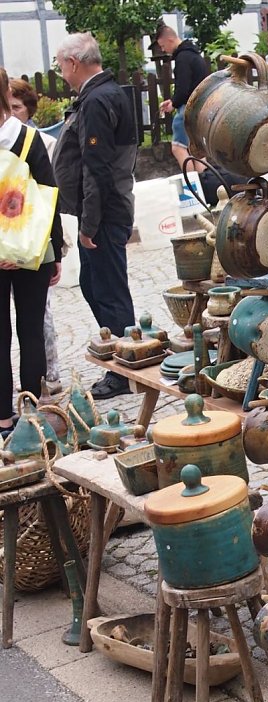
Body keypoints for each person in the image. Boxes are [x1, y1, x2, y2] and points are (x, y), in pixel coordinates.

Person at [52, 32, 137, 400]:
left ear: (73, 62)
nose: (61, 74)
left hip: (104, 213)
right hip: (105, 210)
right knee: (95, 285)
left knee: (108, 290)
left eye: (60, 67)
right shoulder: (104, 94)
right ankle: (124, 358)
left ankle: (124, 369)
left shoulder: (98, 99)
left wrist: (89, 224)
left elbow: (97, 168)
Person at [0, 68, 62, 439]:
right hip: (29, 248)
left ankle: (2, 421)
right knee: (31, 329)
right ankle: (33, 409)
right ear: (6, 91)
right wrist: (53, 253)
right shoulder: (27, 138)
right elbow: (48, 198)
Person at [156, 22, 208, 171]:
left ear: (169, 40)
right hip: (200, 109)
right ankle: (205, 184)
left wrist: (175, 102)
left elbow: (183, 88)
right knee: (197, 151)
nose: (162, 49)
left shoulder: (182, 58)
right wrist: (173, 101)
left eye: (162, 45)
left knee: (178, 148)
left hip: (187, 110)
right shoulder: (194, 55)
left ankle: (192, 189)